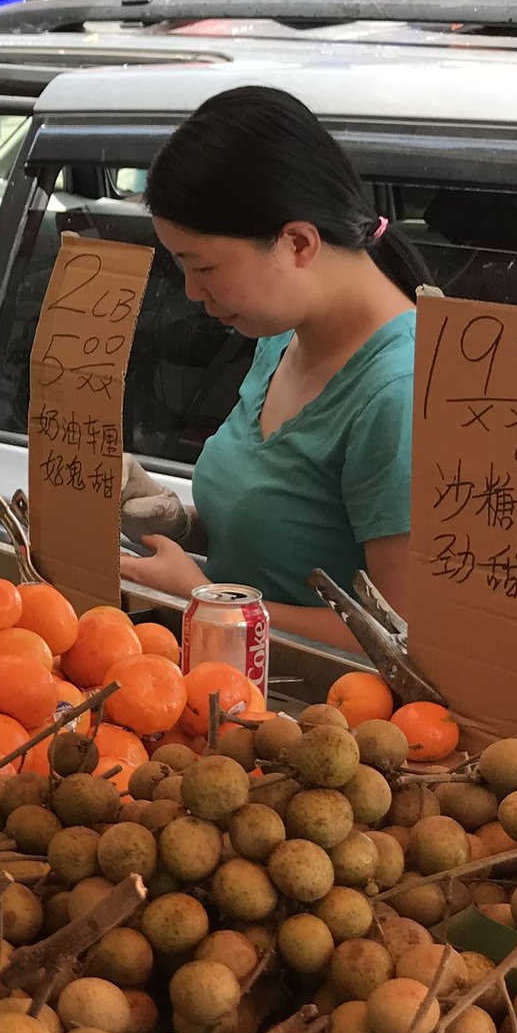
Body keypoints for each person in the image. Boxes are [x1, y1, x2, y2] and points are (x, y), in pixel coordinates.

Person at [117, 85, 424, 650]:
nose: (191, 292)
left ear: (298, 243)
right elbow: (289, 534)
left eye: (203, 266)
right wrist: (175, 521)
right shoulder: (280, 338)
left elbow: (403, 641)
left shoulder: (400, 395)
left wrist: (206, 600)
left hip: (327, 722)